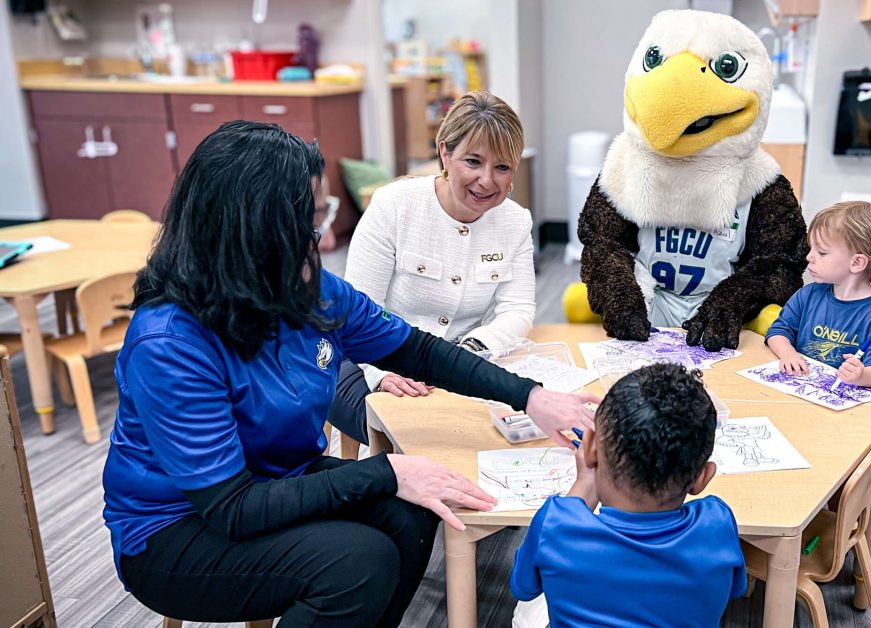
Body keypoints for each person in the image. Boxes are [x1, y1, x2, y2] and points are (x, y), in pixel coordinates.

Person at [101, 120, 597, 628]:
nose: (324, 235)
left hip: (276, 480)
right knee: (357, 563)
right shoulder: (169, 342)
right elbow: (232, 508)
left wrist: (529, 396)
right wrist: (388, 470)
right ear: (255, 228)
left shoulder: (309, 288)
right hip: (177, 530)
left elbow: (417, 351)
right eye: (311, 221)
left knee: (410, 515)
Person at [328, 90, 534, 445]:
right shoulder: (395, 206)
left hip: (461, 360)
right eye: (473, 162)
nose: (487, 180)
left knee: (489, 430)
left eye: (502, 167)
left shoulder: (515, 221)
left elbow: (518, 309)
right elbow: (357, 311)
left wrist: (468, 351)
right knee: (413, 431)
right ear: (444, 153)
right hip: (367, 356)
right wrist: (380, 373)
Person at [510, 363, 746, 627]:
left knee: (528, 608)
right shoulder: (718, 522)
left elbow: (523, 588)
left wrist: (583, 483)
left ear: (589, 449)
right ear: (702, 478)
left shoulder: (555, 524)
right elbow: (734, 590)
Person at [765, 201, 871, 388]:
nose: (809, 257)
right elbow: (778, 331)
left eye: (821, 252)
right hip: (798, 390)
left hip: (844, 405)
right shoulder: (808, 295)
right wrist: (788, 353)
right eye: (811, 248)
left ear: (857, 263)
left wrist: (862, 375)